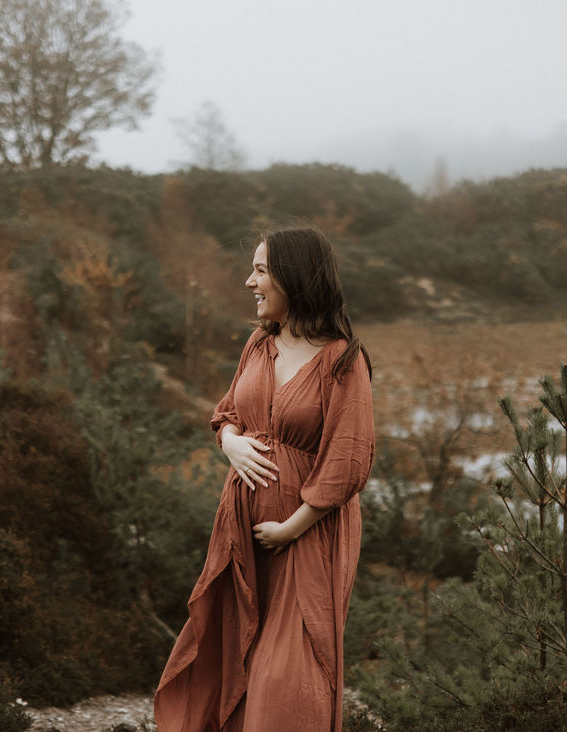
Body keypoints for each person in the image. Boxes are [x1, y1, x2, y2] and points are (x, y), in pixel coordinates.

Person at [154, 227, 375, 731]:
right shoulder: (259, 344)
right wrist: (230, 441)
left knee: (287, 677)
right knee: (233, 657)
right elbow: (228, 412)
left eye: (260, 270)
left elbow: (348, 459)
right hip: (239, 536)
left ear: (293, 277)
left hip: (306, 540)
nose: (248, 281)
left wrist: (291, 528)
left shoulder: (344, 360)